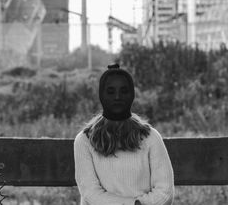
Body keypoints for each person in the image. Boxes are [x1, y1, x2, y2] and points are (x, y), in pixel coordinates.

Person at [74, 63, 174, 205]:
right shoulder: (84, 140)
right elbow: (91, 194)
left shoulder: (150, 137)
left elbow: (165, 192)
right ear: (101, 95)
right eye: (110, 91)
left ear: (131, 94)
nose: (117, 97)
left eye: (124, 91)